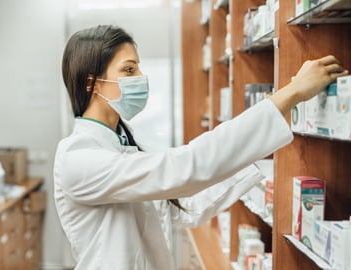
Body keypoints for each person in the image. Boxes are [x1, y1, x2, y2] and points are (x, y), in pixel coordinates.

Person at [54, 25, 347, 269]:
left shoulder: (122, 147)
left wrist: (258, 160)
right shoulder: (78, 158)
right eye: (129, 70)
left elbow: (184, 208)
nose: (140, 78)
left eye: (138, 67)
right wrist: (290, 94)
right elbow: (185, 167)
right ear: (93, 83)